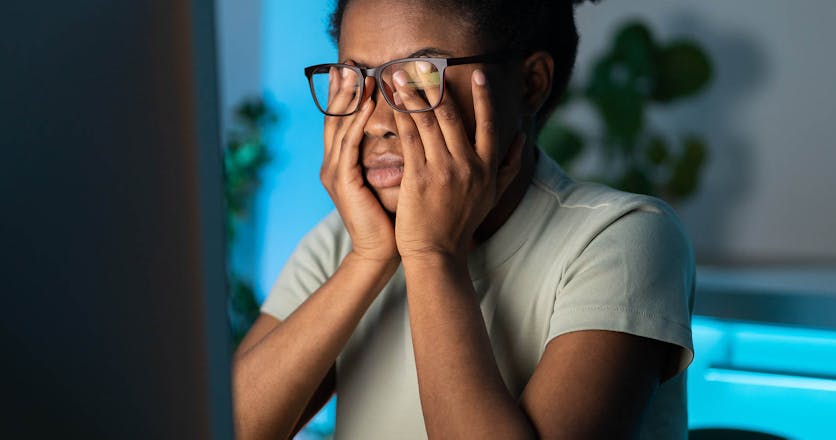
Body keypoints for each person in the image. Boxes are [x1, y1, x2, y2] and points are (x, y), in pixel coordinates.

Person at [233, 0, 695, 438]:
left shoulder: (622, 238)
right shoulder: (347, 240)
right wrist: (369, 257)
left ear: (530, 83)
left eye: (417, 77)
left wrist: (432, 254)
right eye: (356, 78)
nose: (375, 121)